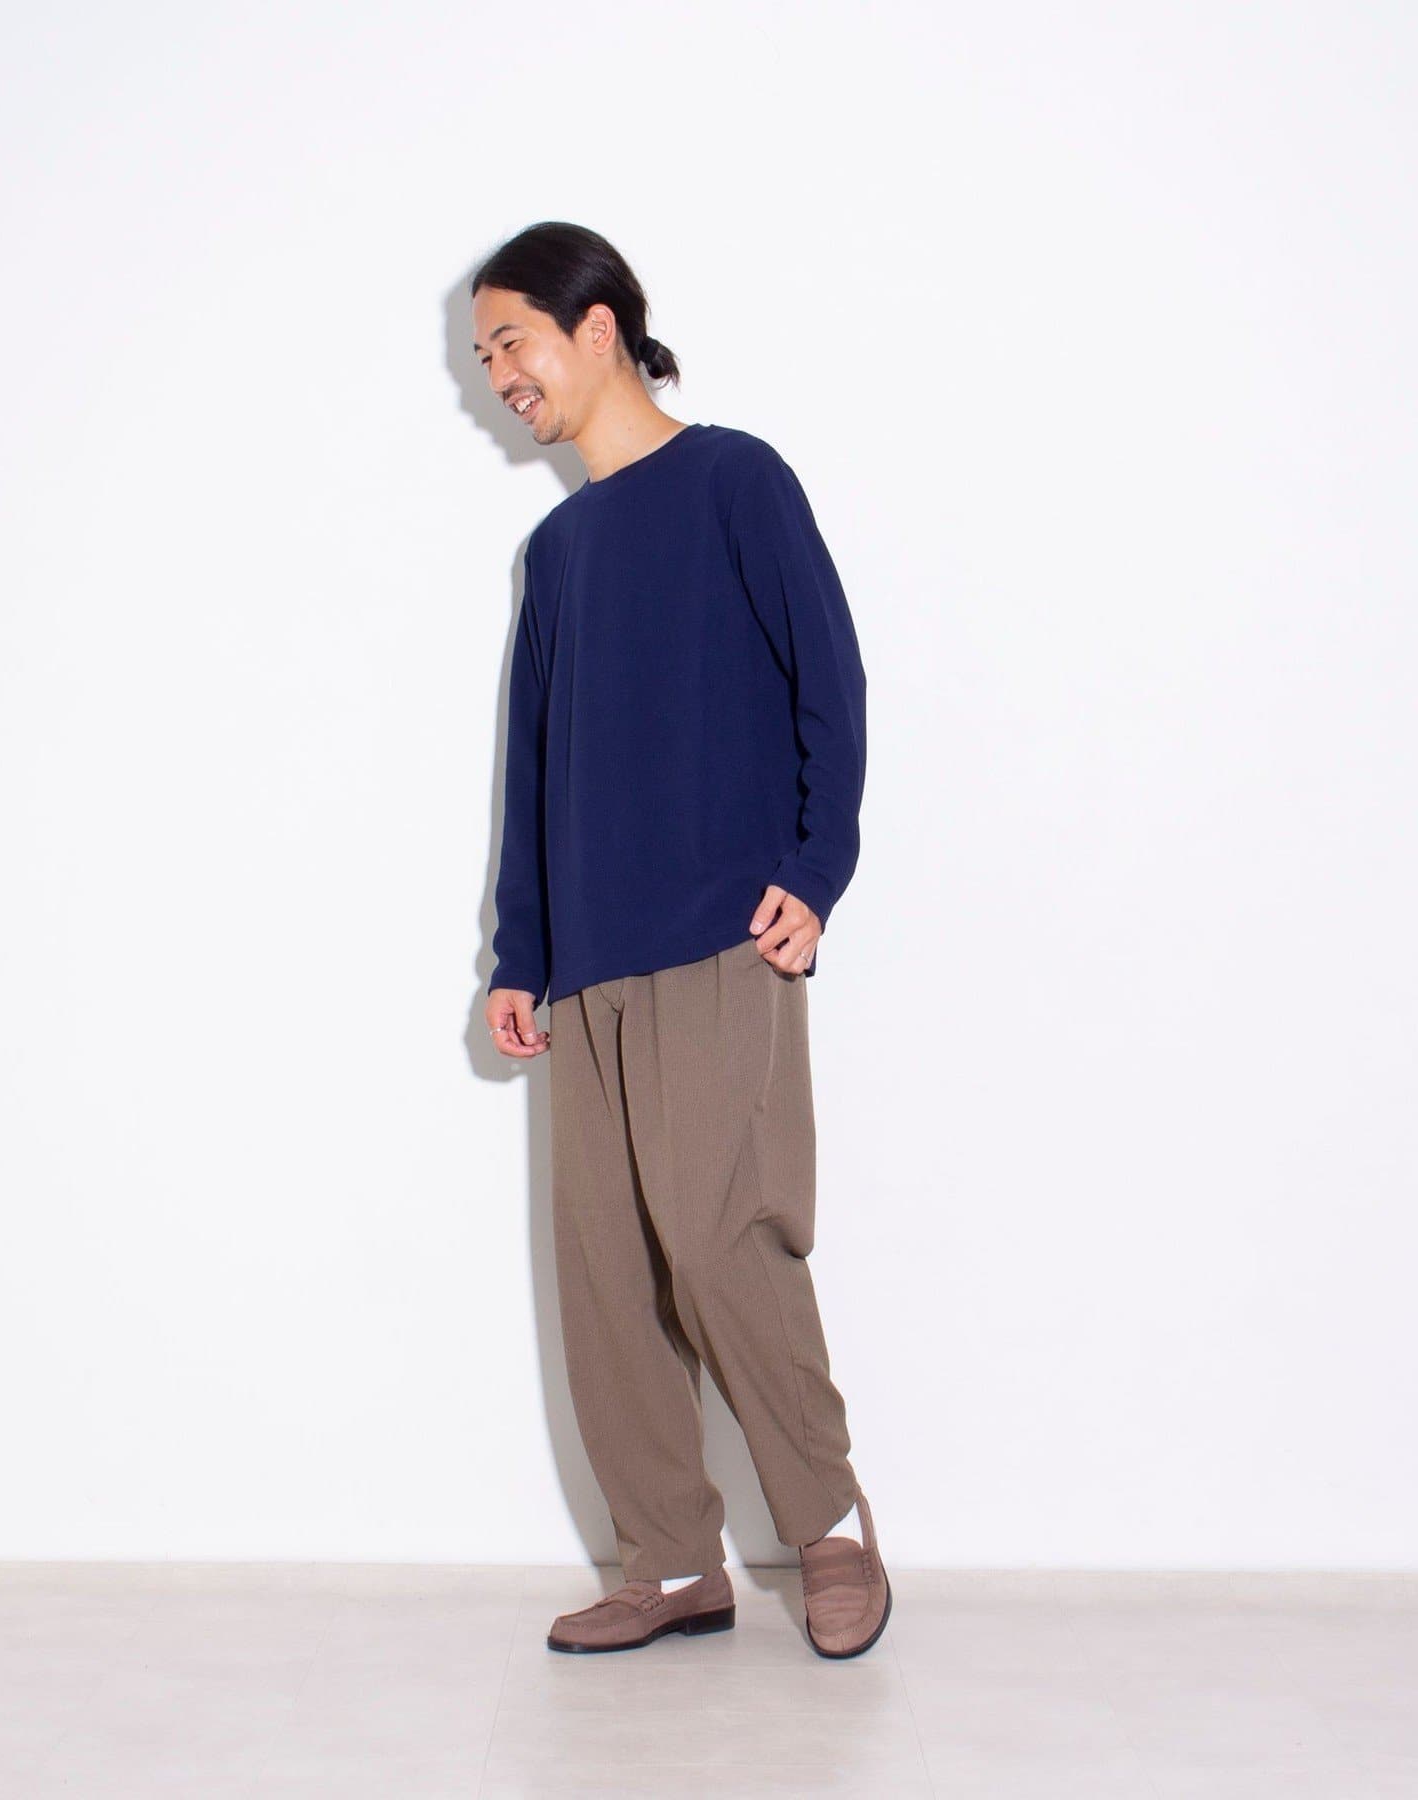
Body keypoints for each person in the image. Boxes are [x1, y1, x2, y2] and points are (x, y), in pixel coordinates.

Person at [471, 221, 890, 1659]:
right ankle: (667, 1563)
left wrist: (816, 868)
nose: (498, 376)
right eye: (483, 355)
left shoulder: (734, 480)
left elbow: (829, 678)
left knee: (722, 1241)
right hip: (585, 959)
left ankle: (828, 1527)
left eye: (511, 341)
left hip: (722, 930)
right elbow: (533, 770)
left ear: (596, 328)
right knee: (604, 1269)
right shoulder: (557, 551)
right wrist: (519, 953)